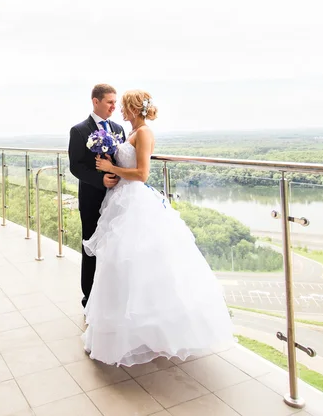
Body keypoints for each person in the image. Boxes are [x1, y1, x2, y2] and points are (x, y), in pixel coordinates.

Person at [82, 89, 234, 366]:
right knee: (118, 265)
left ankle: (149, 332)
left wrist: (110, 167)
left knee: (138, 263)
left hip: (136, 202)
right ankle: (121, 331)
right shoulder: (129, 133)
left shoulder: (144, 134)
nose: (120, 111)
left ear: (133, 108)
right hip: (120, 201)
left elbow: (141, 174)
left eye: (124, 106)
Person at [68, 84, 125, 308]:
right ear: (96, 101)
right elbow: (76, 167)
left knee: (115, 248)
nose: (114, 106)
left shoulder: (119, 129)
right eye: (110, 102)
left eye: (115, 102)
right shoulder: (79, 130)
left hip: (117, 197)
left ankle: (111, 298)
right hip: (92, 198)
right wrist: (100, 179)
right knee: (91, 246)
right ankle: (89, 299)